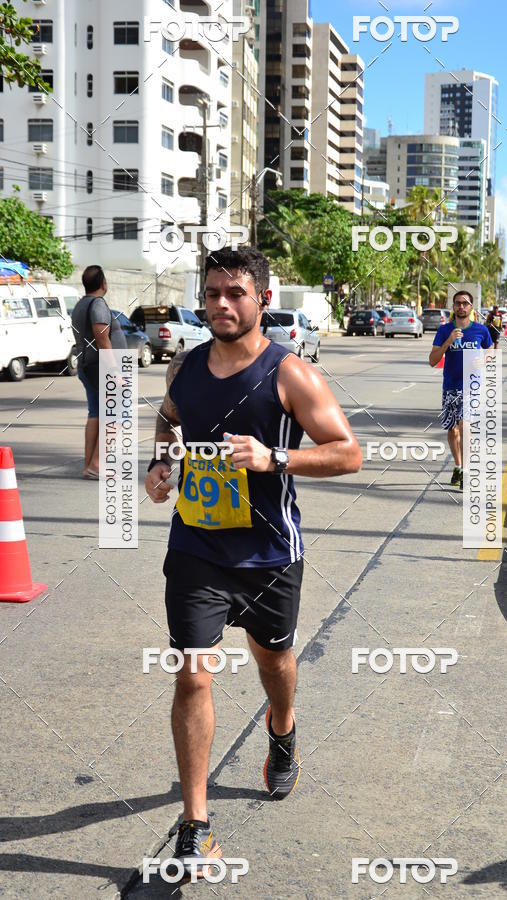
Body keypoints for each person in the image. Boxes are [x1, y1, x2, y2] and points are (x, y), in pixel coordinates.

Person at [144, 246, 362, 879]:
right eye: (212, 292)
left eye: (235, 293)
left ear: (262, 299)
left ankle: (283, 725)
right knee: (192, 674)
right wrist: (161, 464)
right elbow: (170, 419)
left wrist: (275, 459)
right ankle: (196, 826)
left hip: (268, 554)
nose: (220, 303)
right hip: (196, 547)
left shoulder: (290, 374)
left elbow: (348, 453)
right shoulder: (182, 369)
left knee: (274, 661)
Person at [429, 290, 493, 490]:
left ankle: (466, 470)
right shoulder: (444, 330)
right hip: (450, 385)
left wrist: (483, 360)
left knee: (466, 427)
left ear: (471, 307)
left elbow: (490, 350)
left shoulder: (481, 330)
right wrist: (448, 341)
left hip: (471, 386)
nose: (461, 307)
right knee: (452, 429)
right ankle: (457, 465)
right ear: (453, 307)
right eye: (458, 303)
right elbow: (432, 361)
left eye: (465, 303)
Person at [70, 265, 127, 478]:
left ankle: (90, 466)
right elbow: (102, 338)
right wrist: (114, 371)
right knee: (117, 414)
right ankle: (97, 463)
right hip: (102, 369)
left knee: (96, 413)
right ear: (104, 283)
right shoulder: (98, 304)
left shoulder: (80, 305)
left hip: (88, 366)